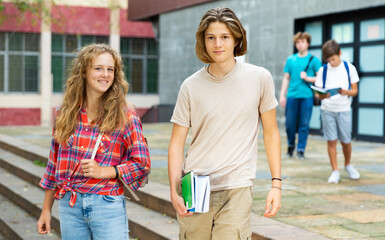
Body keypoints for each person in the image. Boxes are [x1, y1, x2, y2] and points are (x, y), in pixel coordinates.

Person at [168, 7, 281, 239]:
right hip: (195, 187)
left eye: (224, 37)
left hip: (236, 187)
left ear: (236, 39)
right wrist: (173, 189)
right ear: (203, 41)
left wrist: (276, 184)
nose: (217, 44)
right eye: (211, 37)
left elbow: (271, 133)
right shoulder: (190, 86)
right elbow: (176, 143)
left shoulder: (260, 78)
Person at [37, 43, 150, 239]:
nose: (105, 74)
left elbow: (142, 163)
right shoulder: (64, 113)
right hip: (69, 206)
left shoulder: (125, 116)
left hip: (106, 204)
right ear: (83, 72)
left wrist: (105, 171)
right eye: (98, 68)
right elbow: (54, 164)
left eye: (110, 69)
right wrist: (46, 209)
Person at [314, 39, 360, 184]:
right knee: (331, 141)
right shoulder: (323, 70)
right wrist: (323, 95)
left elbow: (355, 91)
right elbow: (318, 94)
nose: (331, 62)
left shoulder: (349, 68)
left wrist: (347, 92)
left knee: (346, 141)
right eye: (329, 60)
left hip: (344, 109)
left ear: (340, 53)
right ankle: (335, 170)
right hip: (327, 109)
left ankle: (348, 164)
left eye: (333, 59)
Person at [279, 32, 322, 159]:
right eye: (297, 42)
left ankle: (301, 150)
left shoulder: (314, 60)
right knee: (290, 124)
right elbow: (286, 78)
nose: (300, 44)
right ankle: (291, 145)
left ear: (307, 43)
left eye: (302, 42)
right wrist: (282, 95)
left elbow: (320, 78)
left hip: (307, 96)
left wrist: (308, 78)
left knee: (304, 124)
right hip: (292, 95)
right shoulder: (290, 59)